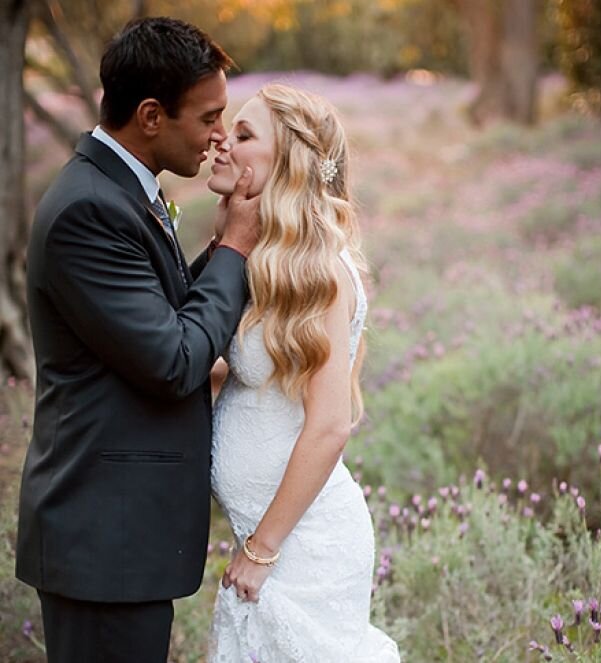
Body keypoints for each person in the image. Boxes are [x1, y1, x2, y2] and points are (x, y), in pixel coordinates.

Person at [15, 17, 260, 663]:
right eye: (208, 117)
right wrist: (235, 246)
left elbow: (164, 315)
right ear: (151, 115)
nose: (217, 136)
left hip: (119, 540)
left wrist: (218, 252)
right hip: (102, 540)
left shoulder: (123, 191)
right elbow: (174, 360)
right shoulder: (87, 210)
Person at [206, 83, 400, 662]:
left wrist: (263, 549)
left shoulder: (321, 271)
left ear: (286, 159)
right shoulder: (264, 258)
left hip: (302, 545)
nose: (221, 142)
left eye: (243, 135)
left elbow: (329, 425)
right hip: (263, 534)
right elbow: (231, 373)